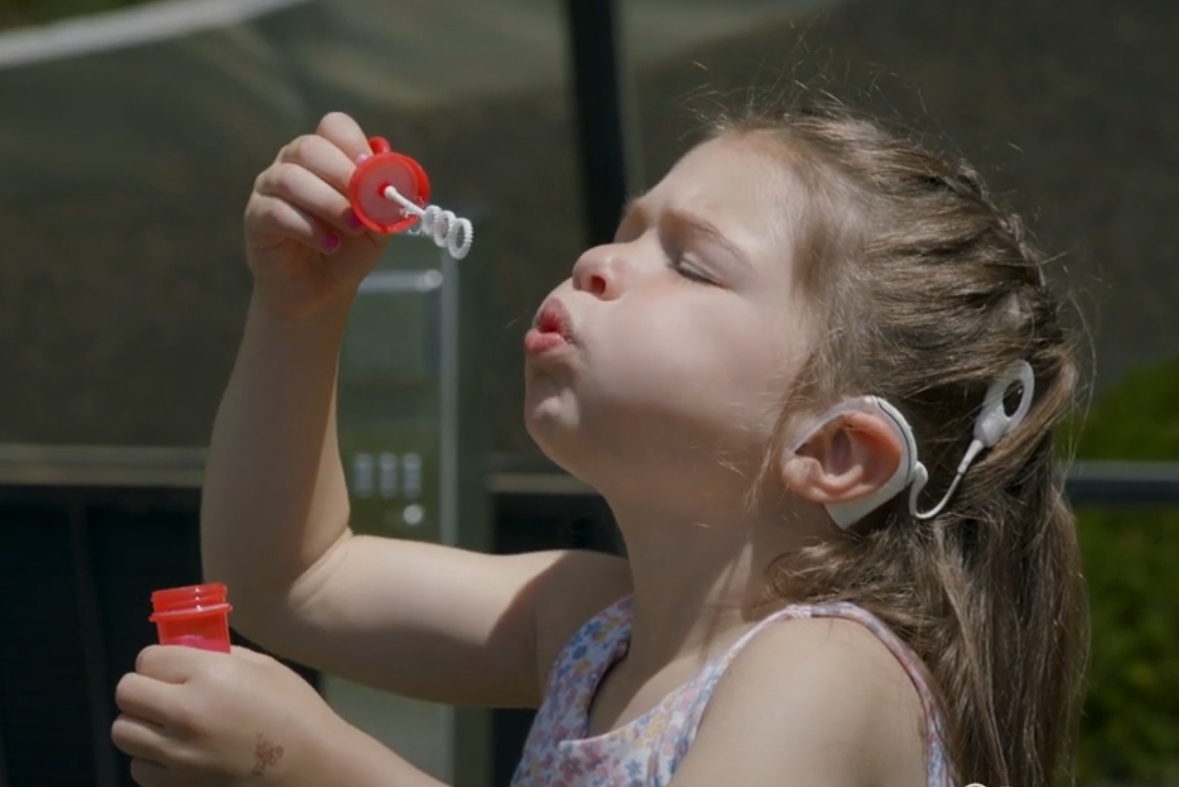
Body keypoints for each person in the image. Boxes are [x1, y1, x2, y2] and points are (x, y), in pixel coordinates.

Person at [110, 95, 1089, 787]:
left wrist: (310, 765)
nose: (598, 261)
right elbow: (292, 578)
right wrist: (301, 311)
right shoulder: (594, 630)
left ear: (836, 451)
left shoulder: (825, 672)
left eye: (690, 264)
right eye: (625, 230)